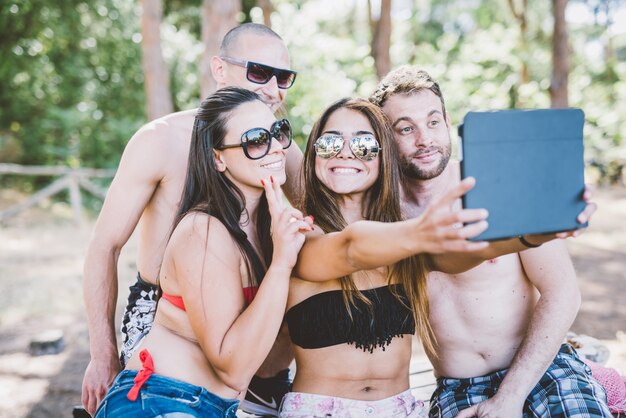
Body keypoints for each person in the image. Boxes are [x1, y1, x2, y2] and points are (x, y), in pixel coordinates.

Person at [82, 23, 302, 416]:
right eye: (259, 72)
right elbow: (105, 245)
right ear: (219, 69)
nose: (272, 88)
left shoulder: (280, 146)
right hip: (166, 314)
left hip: (248, 314)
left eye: (283, 77)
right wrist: (101, 355)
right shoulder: (161, 139)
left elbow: (330, 218)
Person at [369, 66, 612, 417]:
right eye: (406, 128)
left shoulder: (497, 184)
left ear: (448, 121)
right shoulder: (379, 215)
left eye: (433, 122)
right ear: (384, 136)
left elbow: (564, 293)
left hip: (542, 368)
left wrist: (510, 396)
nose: (425, 139)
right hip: (459, 386)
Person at [277, 98, 495, 418]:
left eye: (365, 143)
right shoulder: (298, 232)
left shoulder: (402, 240)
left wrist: (533, 236)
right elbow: (350, 248)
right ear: (313, 153)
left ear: (383, 158)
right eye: (331, 141)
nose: (346, 151)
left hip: (403, 410)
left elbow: (468, 253)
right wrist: (421, 232)